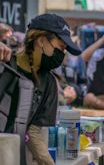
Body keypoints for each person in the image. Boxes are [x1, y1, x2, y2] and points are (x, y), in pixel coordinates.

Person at [0, 13, 81, 164]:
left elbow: (33, 132)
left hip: (10, 157)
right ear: (42, 40)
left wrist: (48, 162)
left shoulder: (49, 83)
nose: (62, 55)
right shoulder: (4, 60)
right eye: (61, 48)